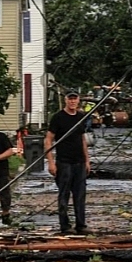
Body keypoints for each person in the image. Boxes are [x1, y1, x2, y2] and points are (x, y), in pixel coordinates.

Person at [44, 89, 92, 235]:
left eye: (75, 99)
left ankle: (81, 225)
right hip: (64, 162)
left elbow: (83, 139)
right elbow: (48, 140)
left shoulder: (80, 117)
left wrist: (87, 160)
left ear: (78, 100)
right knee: (64, 194)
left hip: (79, 162)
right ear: (65, 100)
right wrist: (51, 162)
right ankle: (65, 226)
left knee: (80, 194)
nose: (72, 101)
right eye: (70, 99)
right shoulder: (58, 118)